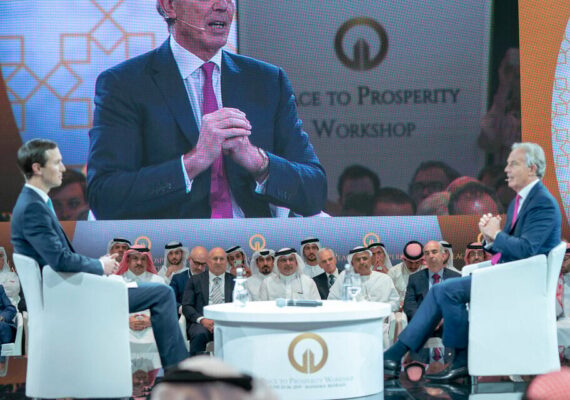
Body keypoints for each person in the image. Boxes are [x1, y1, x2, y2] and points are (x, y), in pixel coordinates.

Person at [86, 0, 327, 220]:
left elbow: (315, 191)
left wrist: (257, 161)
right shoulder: (125, 85)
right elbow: (105, 197)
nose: (223, 6)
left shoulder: (267, 81)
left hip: (256, 246)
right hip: (172, 248)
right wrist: (194, 161)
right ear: (169, 6)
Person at [384, 142, 562, 381]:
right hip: (510, 276)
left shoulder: (542, 203)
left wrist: (496, 234)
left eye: (513, 164)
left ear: (532, 169)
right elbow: (515, 248)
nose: (506, 169)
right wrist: (490, 239)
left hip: (523, 283)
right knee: (441, 291)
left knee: (445, 291)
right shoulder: (520, 201)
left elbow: (528, 250)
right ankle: (411, 356)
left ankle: (443, 358)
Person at [10, 139, 188, 369]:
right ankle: (179, 373)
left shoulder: (34, 203)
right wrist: (100, 266)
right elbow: (59, 260)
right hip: (70, 296)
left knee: (154, 290)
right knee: (162, 293)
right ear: (37, 168)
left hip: (70, 289)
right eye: (57, 162)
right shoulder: (33, 207)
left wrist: (100, 270)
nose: (63, 168)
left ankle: (176, 371)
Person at [116, 246, 166, 367]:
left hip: (151, 327)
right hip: (124, 327)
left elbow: (165, 310)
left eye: (143, 259)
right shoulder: (117, 281)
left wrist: (152, 321)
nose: (139, 262)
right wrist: (125, 321)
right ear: (128, 260)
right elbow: (109, 310)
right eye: (135, 258)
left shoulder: (158, 281)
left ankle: (154, 376)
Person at [182, 247, 234, 356]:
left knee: (239, 333)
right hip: (202, 323)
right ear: (208, 262)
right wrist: (202, 320)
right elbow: (187, 306)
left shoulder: (235, 281)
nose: (218, 262)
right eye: (215, 259)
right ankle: (197, 366)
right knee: (198, 334)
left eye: (221, 259)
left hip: (228, 323)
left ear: (226, 262)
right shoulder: (195, 280)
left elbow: (241, 306)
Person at [328, 246, 399, 311]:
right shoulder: (344, 277)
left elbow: (395, 302)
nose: (362, 262)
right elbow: (331, 301)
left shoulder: (384, 279)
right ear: (352, 263)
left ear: (370, 260)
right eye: (358, 259)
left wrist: (380, 309)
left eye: (365, 258)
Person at [388, 241, 425, 306]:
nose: (413, 266)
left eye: (417, 262)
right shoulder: (393, 272)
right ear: (404, 259)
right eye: (410, 262)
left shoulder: (427, 271)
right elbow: (388, 296)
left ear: (422, 260)